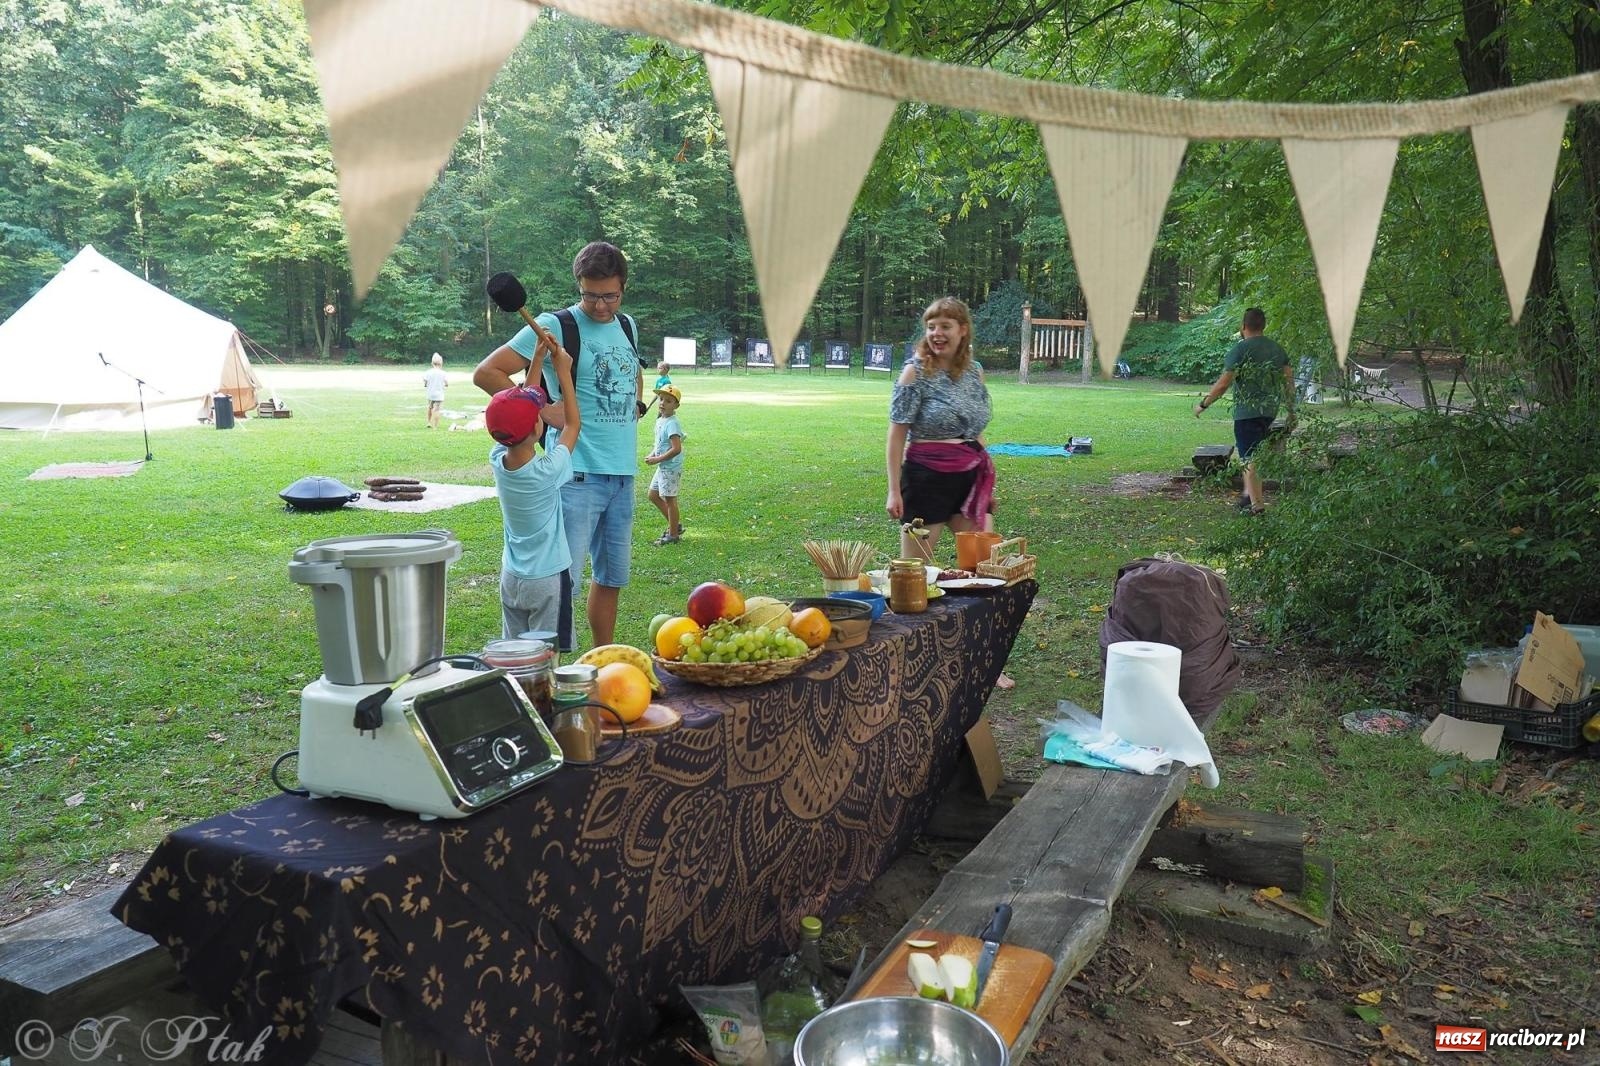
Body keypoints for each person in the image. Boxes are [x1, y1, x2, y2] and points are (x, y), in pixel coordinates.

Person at [474, 242, 644, 650]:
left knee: (611, 578)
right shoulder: (555, 324)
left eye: (610, 296)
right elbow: (487, 372)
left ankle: (604, 658)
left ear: (623, 288)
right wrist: (542, 409)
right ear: (578, 286)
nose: (600, 306)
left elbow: (635, 372)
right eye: (590, 295)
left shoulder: (627, 326)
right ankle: (541, 670)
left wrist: (636, 403)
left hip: (622, 473)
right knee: (562, 583)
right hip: (576, 475)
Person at [885, 296, 995, 560]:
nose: (937, 333)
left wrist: (986, 477)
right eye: (931, 327)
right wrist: (894, 491)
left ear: (962, 330)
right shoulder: (914, 372)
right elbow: (896, 436)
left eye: (945, 326)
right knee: (914, 569)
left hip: (969, 479)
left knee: (984, 564)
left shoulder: (975, 372)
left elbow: (975, 428)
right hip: (926, 479)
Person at [485, 339, 580, 640]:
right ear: (538, 428)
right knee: (546, 657)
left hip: (512, 578)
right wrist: (564, 372)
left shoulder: (498, 459)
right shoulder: (547, 472)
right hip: (547, 580)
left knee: (516, 656)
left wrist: (536, 359)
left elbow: (523, 415)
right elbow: (572, 426)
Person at [1195, 306, 1295, 514]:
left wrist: (1203, 404)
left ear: (1243, 326)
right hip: (1269, 411)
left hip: (1247, 413)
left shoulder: (1240, 350)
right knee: (1254, 454)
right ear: (1263, 326)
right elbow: (1288, 381)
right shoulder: (1277, 349)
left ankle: (1257, 507)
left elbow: (1223, 384)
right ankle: (1247, 497)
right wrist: (1291, 410)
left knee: (1249, 459)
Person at [644, 384, 685, 545]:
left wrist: (657, 459)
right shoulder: (661, 420)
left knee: (670, 500)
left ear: (676, 406)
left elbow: (676, 448)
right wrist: (653, 454)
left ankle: (673, 535)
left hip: (670, 468)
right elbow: (660, 443)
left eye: (668, 401)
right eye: (661, 399)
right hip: (663, 466)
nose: (662, 403)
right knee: (653, 495)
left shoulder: (672, 423)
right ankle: (675, 525)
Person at [423, 353, 448, 428]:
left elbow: (425, 380)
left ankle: (429, 422)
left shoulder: (428, 372)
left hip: (430, 393)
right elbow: (446, 382)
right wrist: (446, 385)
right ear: (441, 363)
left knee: (430, 407)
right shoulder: (443, 373)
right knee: (437, 410)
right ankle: (435, 426)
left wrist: (426, 384)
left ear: (432, 363)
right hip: (439, 395)